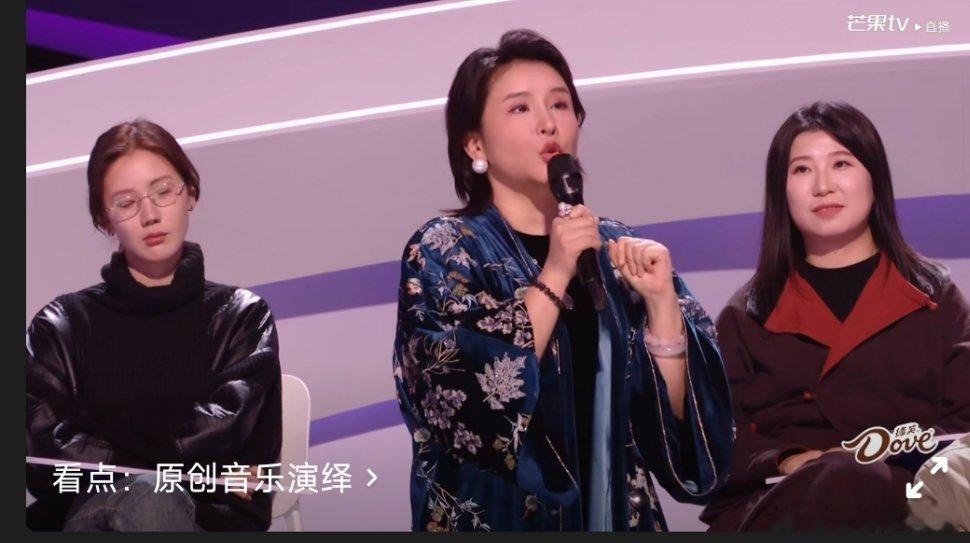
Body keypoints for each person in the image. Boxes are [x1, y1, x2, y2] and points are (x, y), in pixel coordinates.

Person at [391, 29, 733, 532]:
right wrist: (554, 272)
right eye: (520, 108)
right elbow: (457, 403)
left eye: (560, 104)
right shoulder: (445, 250)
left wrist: (662, 306)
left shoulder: (615, 248)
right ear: (475, 143)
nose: (548, 122)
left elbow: (683, 437)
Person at [701, 101, 970, 531]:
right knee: (840, 479)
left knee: (857, 479)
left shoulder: (934, 296)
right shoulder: (747, 313)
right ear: (782, 191)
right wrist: (787, 459)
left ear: (874, 178)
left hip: (913, 503)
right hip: (784, 507)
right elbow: (716, 440)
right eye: (802, 170)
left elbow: (963, 423)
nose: (823, 186)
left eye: (841, 164)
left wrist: (883, 460)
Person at [26, 119, 283, 531]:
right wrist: (193, 468)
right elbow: (43, 464)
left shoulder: (241, 318)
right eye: (126, 202)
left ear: (190, 192)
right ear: (104, 218)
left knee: (152, 501)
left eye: (163, 192)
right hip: (86, 518)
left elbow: (238, 444)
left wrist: (105, 445)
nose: (149, 215)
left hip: (208, 523)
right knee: (146, 495)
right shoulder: (60, 327)